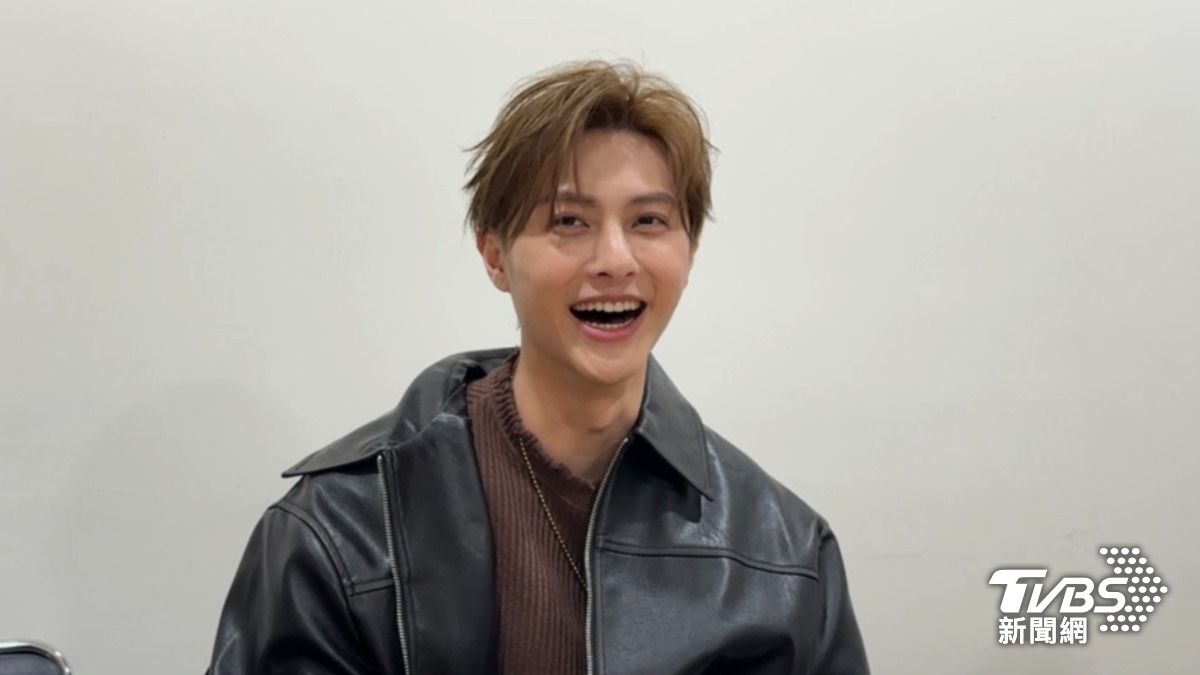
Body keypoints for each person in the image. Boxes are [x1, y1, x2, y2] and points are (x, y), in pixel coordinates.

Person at [206, 59, 870, 675]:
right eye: (569, 221)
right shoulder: (341, 528)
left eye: (648, 220)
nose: (615, 259)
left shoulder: (784, 555)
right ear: (494, 254)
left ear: (689, 251)